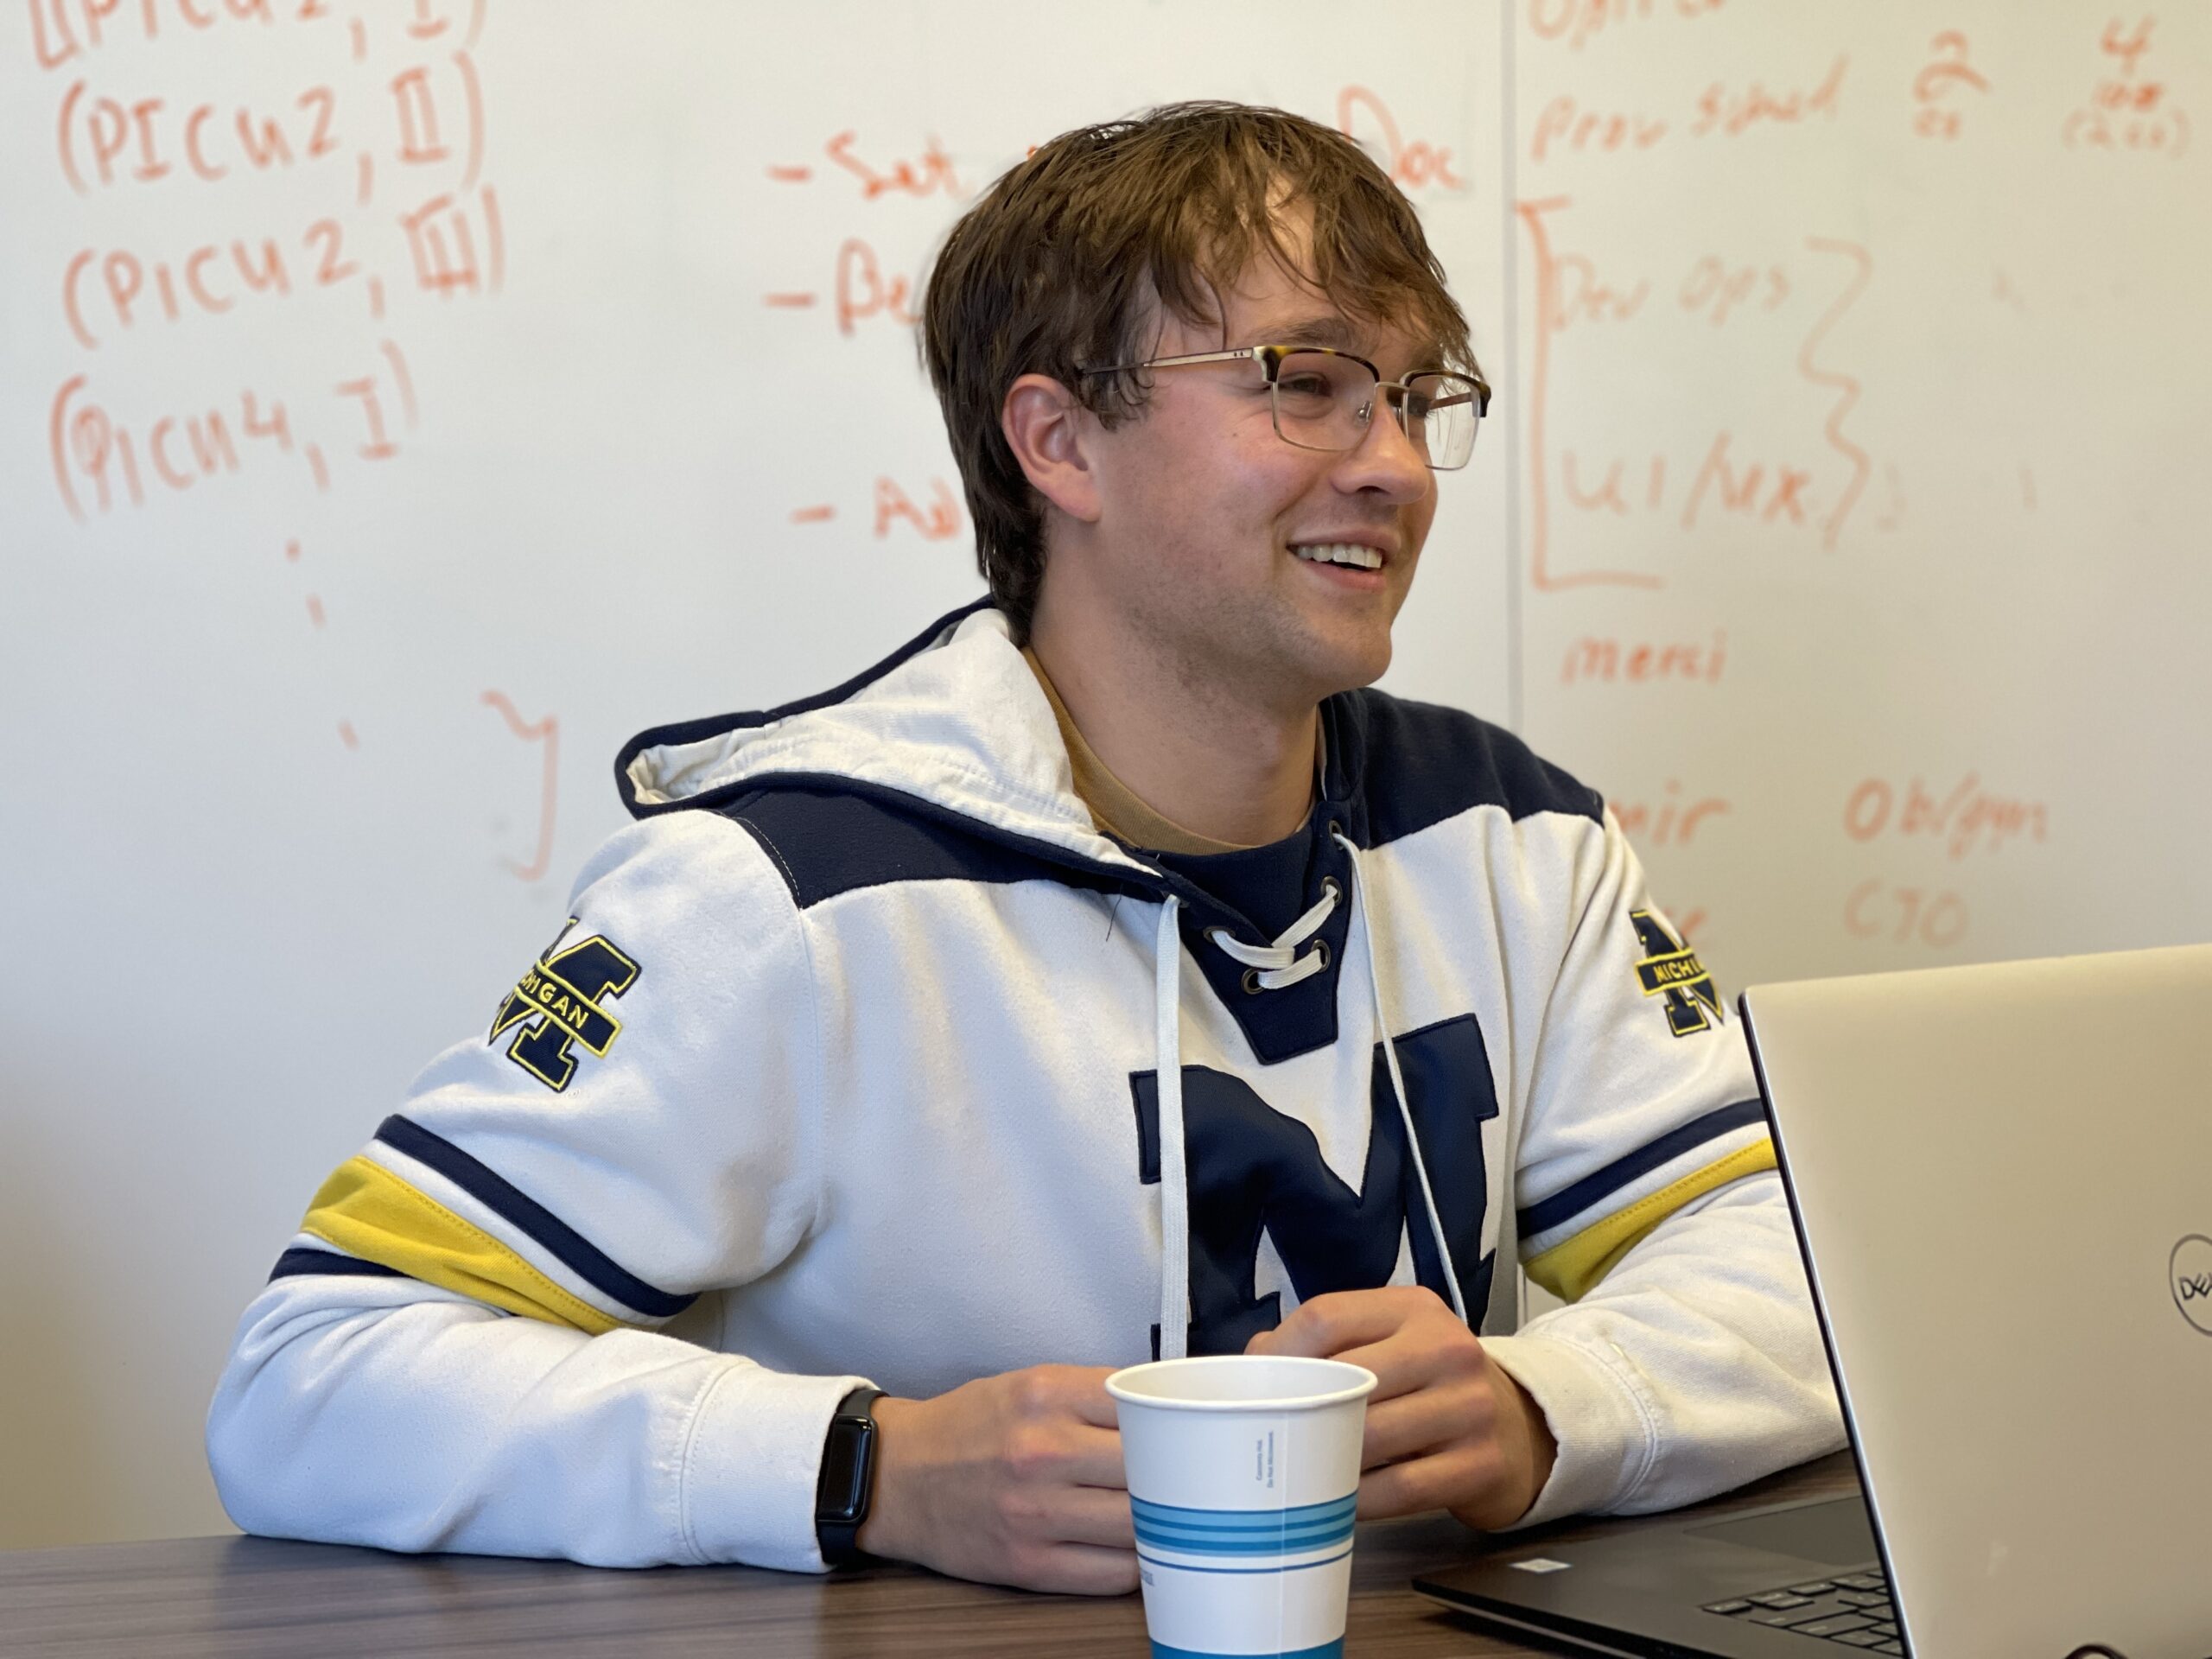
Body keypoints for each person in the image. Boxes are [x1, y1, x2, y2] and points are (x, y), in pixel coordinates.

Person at [207, 101, 1843, 1593]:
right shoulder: (785, 889)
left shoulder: (1518, 840)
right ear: (1058, 444)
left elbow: (1821, 1271)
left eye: (1417, 396)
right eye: (1307, 379)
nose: (1397, 465)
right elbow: (315, 1372)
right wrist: (867, 1467)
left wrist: (1545, 1406)